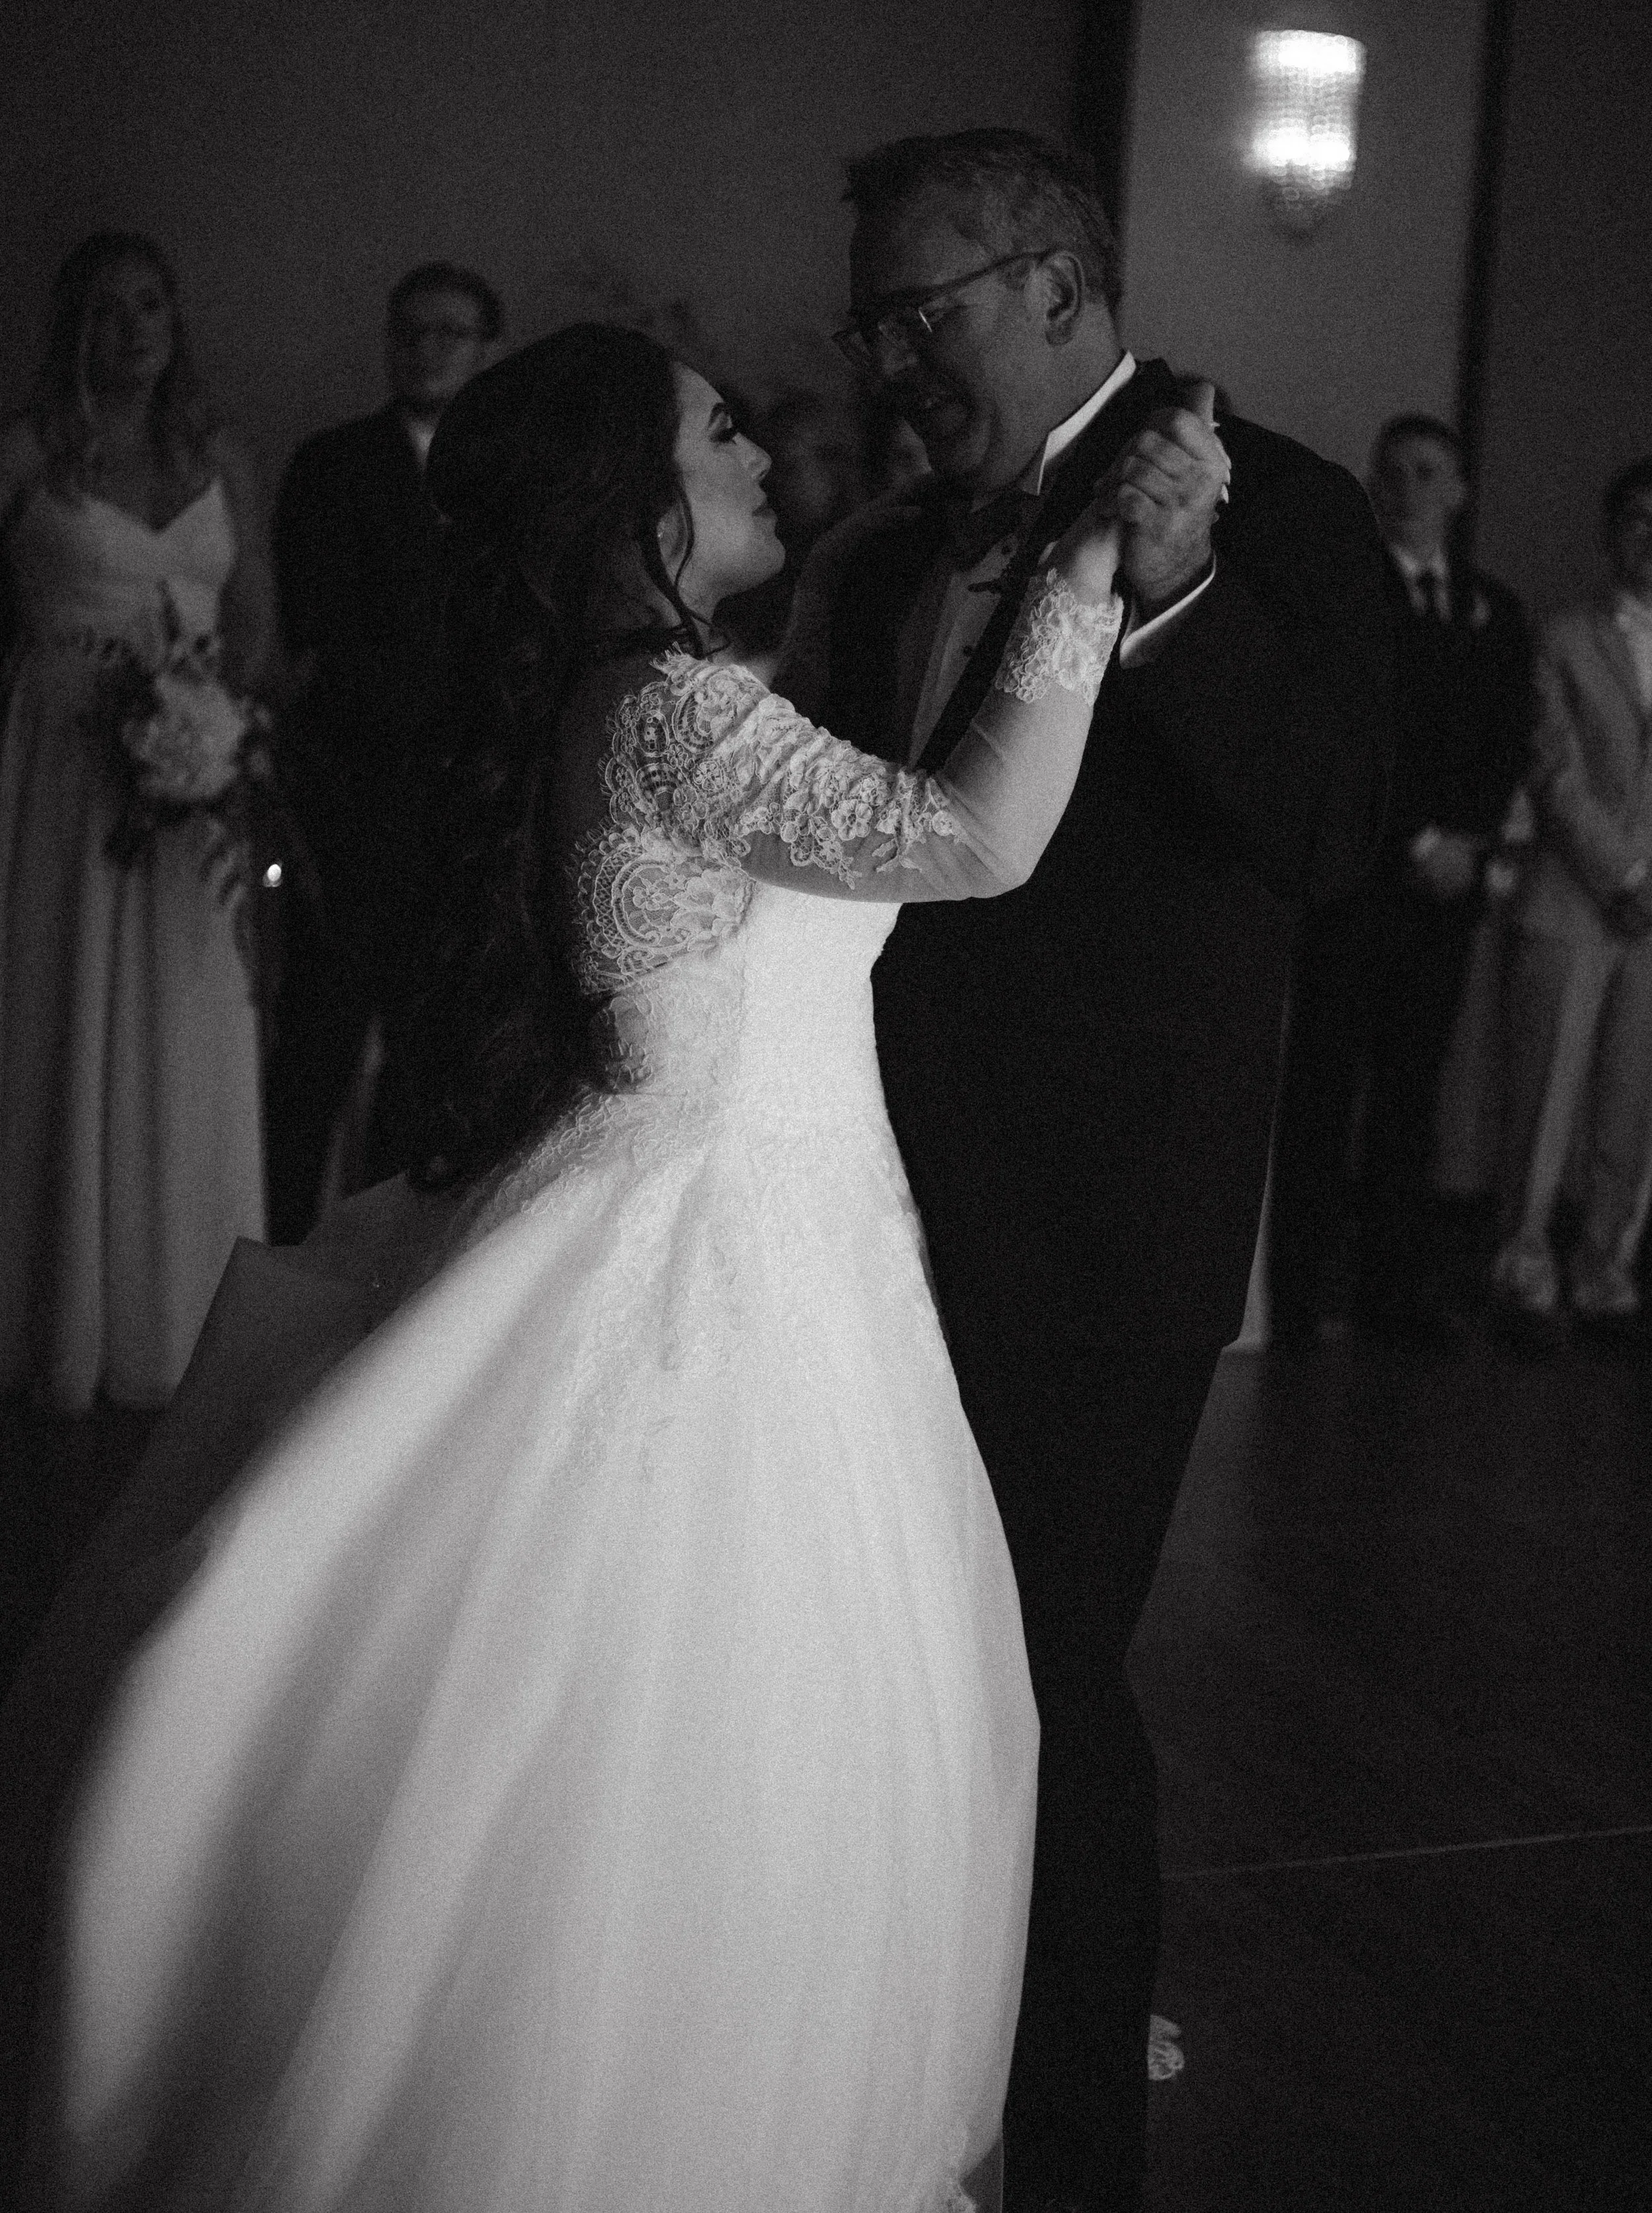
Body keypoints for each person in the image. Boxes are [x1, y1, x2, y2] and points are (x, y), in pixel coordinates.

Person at [22, 322, 1172, 2213]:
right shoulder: (670, 708)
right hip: (725, 1271)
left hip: (781, 1240)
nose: (755, 455)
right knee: (665, 1773)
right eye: (718, 431)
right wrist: (1080, 569)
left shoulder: (653, 692)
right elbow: (972, 833)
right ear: (627, 495)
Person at [782, 128, 1393, 2213]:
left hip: (1102, 1222)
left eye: (919, 314)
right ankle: (899, 2090)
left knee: (1042, 1662)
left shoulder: (1278, 504)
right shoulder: (875, 561)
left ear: (1055, 284)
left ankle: (1066, 2154)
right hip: (856, 1204)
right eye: (871, 321)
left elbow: (1333, 829)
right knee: (897, 1657)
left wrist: (1176, 594)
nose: (887, 362)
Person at [0, 233, 276, 1411]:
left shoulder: (220, 453)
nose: (136, 326)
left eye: (153, 303)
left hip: (197, 771)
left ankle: (181, 1312)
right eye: (110, 308)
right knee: (65, 1007)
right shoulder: (24, 454)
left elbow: (259, 611)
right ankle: (54, 1314)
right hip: (64, 760)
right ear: (75, 327)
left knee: (187, 1011)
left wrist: (225, 728)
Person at [1270, 413, 1532, 1355]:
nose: (1410, 489)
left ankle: (1394, 1291)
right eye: (1395, 472)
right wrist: (1420, 836)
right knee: (1322, 1091)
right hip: (1363, 881)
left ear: (1459, 490)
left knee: (1413, 1094)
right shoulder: (1347, 592)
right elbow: (1357, 727)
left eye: (1429, 474)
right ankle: (1297, 1298)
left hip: (1451, 889)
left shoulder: (1493, 607)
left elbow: (1510, 735)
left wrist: (1472, 842)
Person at [264, 261, 504, 1242]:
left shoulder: (507, 471)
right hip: (352, 795)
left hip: (466, 811)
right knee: (316, 1047)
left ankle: (386, 1258)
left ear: (487, 348)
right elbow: (317, 627)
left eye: (451, 332)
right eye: (411, 330)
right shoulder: (333, 463)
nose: (428, 349)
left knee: (430, 1054)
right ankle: (282, 1246)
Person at [1492, 458, 1652, 1343]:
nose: (1651, 536)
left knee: (1634, 1104)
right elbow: (1555, 774)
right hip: (1574, 894)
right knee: (1544, 1095)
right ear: (1611, 531)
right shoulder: (1562, 635)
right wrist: (1625, 876)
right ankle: (1522, 1270)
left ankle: (1605, 1271)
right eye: (1636, 518)